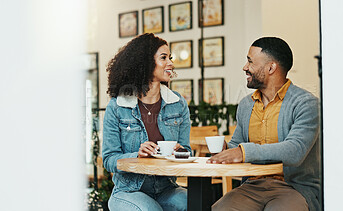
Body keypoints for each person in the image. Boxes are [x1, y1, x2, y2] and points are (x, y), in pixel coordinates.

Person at [208, 37, 321, 211]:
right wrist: (225, 150)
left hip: (293, 188)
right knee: (220, 208)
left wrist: (243, 152)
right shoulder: (246, 105)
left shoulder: (306, 103)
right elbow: (237, 146)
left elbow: (295, 150)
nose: (245, 67)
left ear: (271, 68)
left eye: (250, 61)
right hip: (252, 185)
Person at [102, 33, 191, 211]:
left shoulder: (178, 104)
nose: (171, 64)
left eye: (170, 58)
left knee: (195, 203)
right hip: (128, 191)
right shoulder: (117, 107)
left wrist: (179, 152)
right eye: (164, 58)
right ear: (145, 63)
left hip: (166, 189)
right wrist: (137, 155)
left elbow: (187, 151)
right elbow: (109, 159)